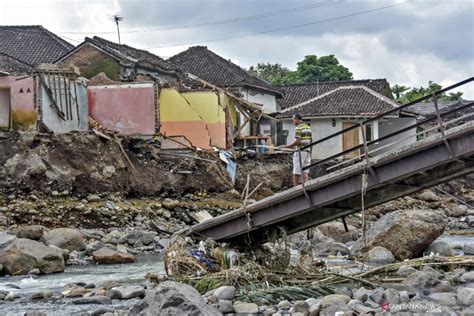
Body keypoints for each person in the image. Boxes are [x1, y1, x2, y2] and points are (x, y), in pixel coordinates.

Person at [281, 113, 312, 186]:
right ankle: (307, 187)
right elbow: (310, 141)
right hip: (307, 151)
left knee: (296, 171)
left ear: (297, 119)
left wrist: (287, 147)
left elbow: (298, 141)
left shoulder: (298, 128)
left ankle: (295, 189)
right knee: (305, 171)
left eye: (293, 120)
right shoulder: (308, 127)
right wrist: (311, 153)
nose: (293, 122)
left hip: (300, 152)